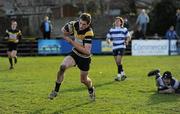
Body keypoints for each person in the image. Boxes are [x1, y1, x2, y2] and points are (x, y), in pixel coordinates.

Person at [48, 13, 95, 100]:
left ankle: (91, 89)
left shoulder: (89, 32)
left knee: (84, 80)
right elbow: (63, 30)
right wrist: (66, 30)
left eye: (84, 24)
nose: (81, 26)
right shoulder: (74, 24)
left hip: (84, 58)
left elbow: (87, 51)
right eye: (80, 23)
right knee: (62, 67)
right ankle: (55, 91)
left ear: (88, 24)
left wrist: (71, 42)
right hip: (75, 53)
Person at [106, 17, 131, 81]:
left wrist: (127, 41)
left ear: (121, 22)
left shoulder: (124, 29)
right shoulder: (111, 30)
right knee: (117, 63)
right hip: (114, 47)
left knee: (118, 61)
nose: (117, 22)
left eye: (118, 21)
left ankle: (118, 76)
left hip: (121, 46)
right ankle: (123, 74)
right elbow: (108, 37)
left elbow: (128, 36)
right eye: (116, 21)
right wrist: (108, 40)